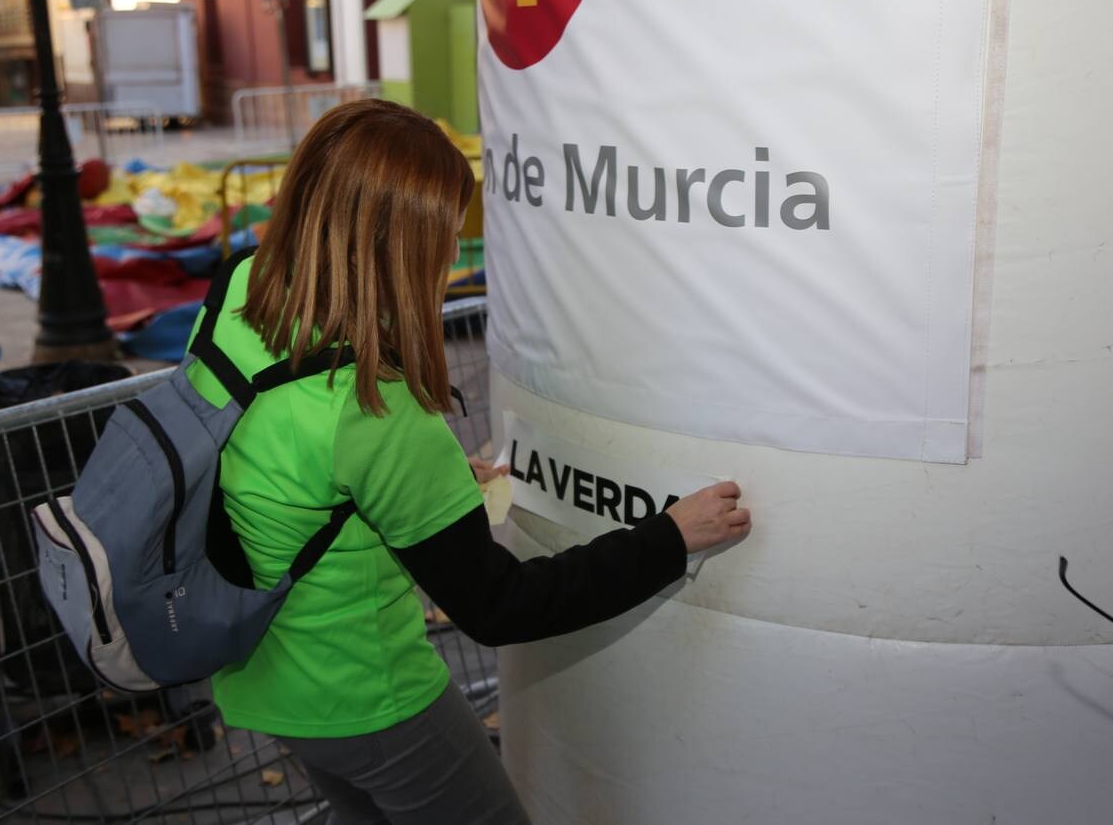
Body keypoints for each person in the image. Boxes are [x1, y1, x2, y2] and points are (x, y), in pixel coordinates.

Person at [186, 99, 752, 825]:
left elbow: (274, 468)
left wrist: (423, 489)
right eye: (447, 238)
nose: (454, 256)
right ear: (398, 247)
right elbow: (500, 604)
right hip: (368, 696)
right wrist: (669, 537)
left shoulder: (239, 286)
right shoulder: (375, 410)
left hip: (262, 678)